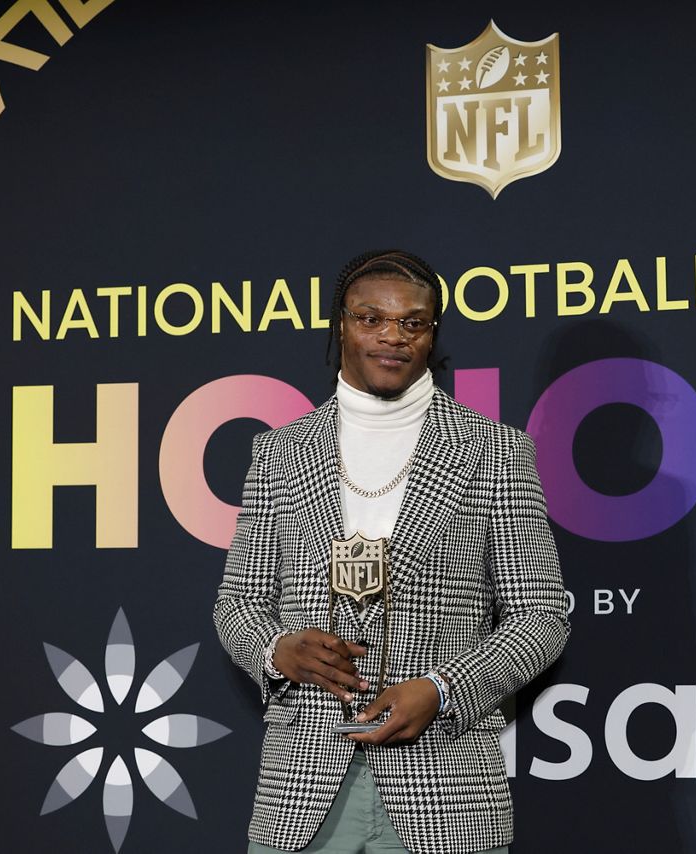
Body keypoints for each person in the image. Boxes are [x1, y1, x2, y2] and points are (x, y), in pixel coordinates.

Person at [214, 249, 569, 853]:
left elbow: (540, 619)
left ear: (432, 335)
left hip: (447, 789)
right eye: (370, 318)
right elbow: (238, 603)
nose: (393, 336)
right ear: (340, 326)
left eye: (413, 322)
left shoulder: (496, 452)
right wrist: (278, 650)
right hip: (302, 788)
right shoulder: (279, 454)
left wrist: (440, 689)